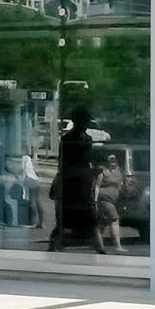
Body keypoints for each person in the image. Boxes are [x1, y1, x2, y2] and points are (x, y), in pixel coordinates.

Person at [48, 107, 96, 252]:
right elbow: (63, 163)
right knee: (65, 219)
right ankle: (54, 245)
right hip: (71, 183)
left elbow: (87, 161)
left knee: (88, 218)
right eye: (85, 120)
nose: (87, 123)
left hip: (82, 183)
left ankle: (97, 246)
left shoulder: (87, 139)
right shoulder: (68, 139)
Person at [93, 152, 126, 254]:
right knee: (114, 220)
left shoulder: (119, 171)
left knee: (102, 223)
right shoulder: (103, 171)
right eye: (110, 160)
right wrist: (95, 200)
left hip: (113, 200)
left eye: (114, 160)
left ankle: (97, 245)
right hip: (104, 199)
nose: (112, 162)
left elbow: (121, 185)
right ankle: (118, 246)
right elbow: (97, 186)